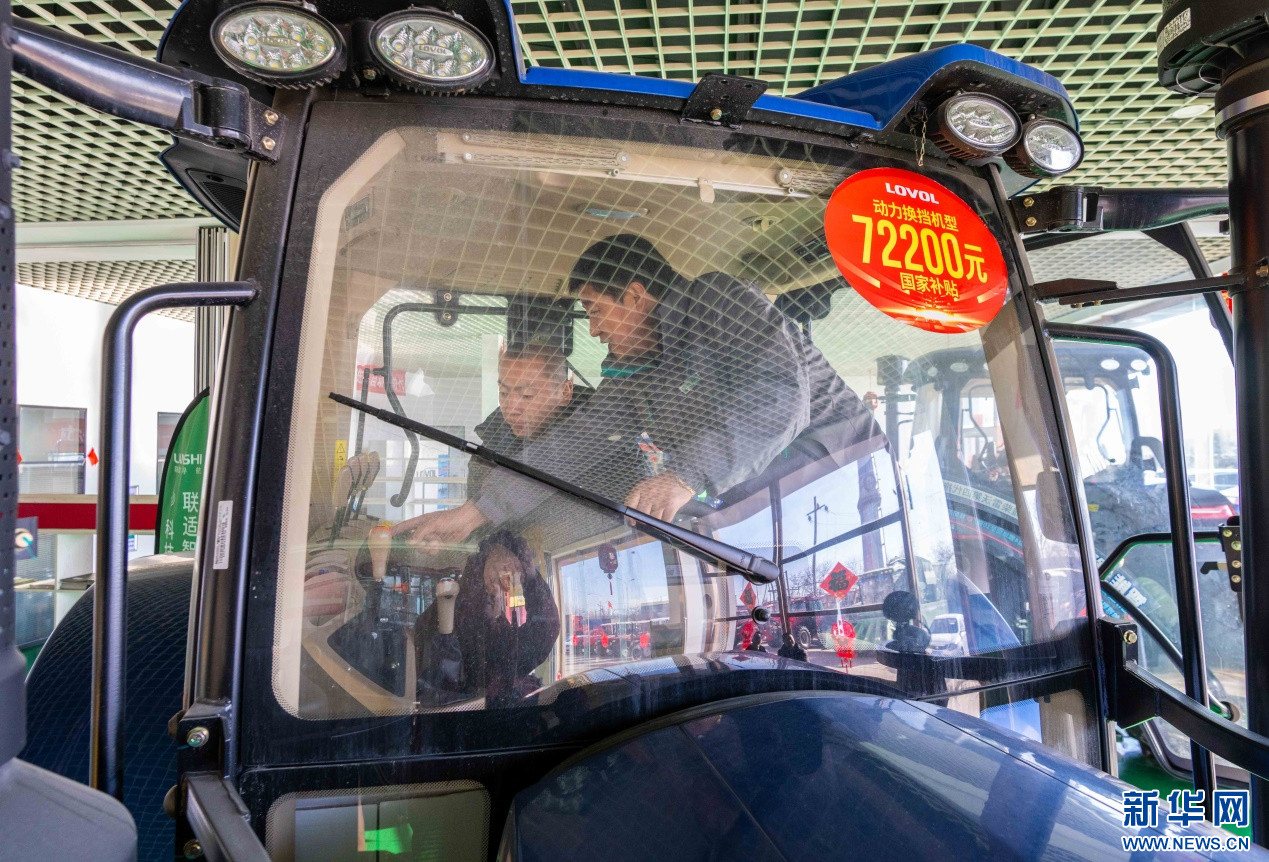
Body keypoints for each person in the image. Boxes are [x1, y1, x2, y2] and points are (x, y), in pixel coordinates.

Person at [401, 233, 880, 547]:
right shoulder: (635, 370)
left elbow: (779, 399)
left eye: (595, 310)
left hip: (840, 463)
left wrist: (683, 475)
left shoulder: (718, 300)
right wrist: (475, 513)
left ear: (634, 295)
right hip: (766, 497)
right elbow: (573, 443)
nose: (594, 329)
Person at [414, 530, 560, 705]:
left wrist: (532, 578)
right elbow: (427, 639)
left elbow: (545, 632)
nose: (500, 584)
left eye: (513, 575)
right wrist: (488, 560)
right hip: (457, 710)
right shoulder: (452, 606)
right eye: (499, 572)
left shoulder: (510, 639)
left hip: (502, 710)